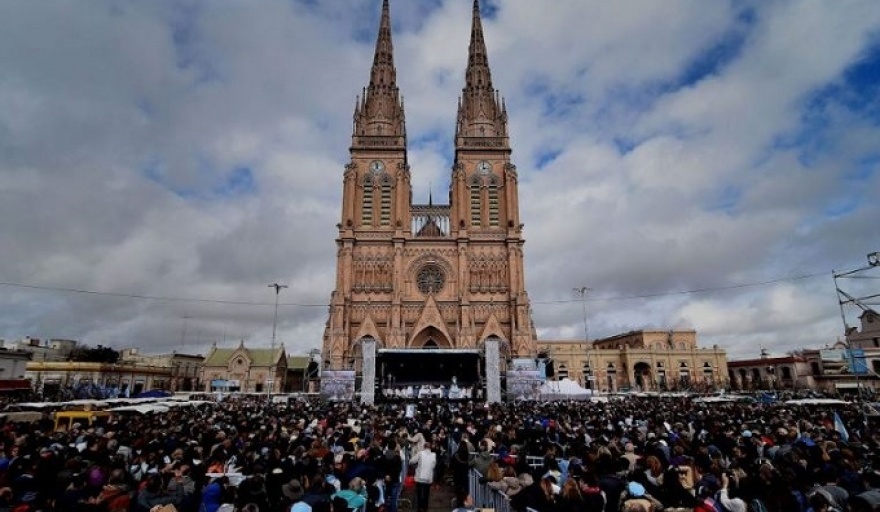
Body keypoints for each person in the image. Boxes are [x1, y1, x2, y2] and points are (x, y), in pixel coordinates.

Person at [409, 441, 437, 512]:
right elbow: (433, 466)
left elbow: (412, 461)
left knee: (419, 493)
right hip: (428, 478)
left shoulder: (420, 453)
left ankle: (419, 508)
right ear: (430, 447)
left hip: (420, 478)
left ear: (424, 447)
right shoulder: (434, 455)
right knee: (426, 494)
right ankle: (425, 508)